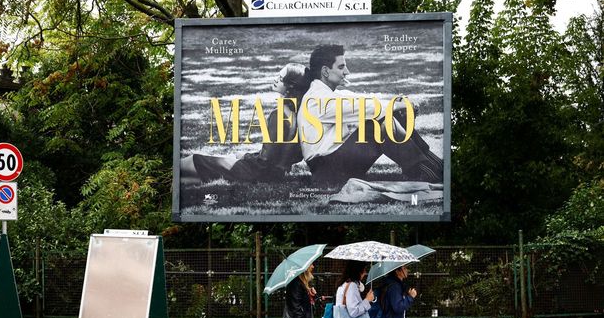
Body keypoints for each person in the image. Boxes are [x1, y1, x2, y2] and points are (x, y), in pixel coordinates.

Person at [297, 44, 443, 185]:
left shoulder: (327, 93)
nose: (347, 72)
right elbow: (363, 108)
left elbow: (364, 100)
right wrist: (397, 105)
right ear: (325, 71)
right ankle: (422, 171)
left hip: (335, 162)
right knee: (378, 125)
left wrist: (397, 103)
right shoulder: (316, 99)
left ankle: (434, 164)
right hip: (326, 171)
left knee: (396, 114)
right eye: (341, 67)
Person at [180, 63, 308, 184]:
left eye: (280, 78)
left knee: (194, 160)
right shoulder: (299, 113)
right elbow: (283, 156)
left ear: (290, 86)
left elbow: (264, 162)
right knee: (189, 177)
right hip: (275, 174)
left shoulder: (280, 114)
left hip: (255, 173)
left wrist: (245, 157)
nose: (276, 79)